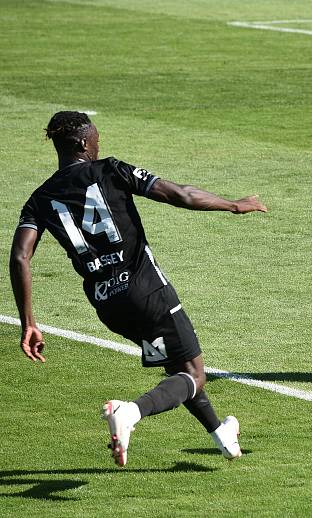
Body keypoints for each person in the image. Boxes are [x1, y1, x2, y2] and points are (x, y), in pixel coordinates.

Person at [10, 111, 268, 466]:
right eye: (97, 138)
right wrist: (234, 205)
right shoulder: (110, 169)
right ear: (84, 142)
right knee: (193, 373)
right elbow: (181, 195)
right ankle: (130, 412)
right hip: (147, 291)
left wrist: (29, 322)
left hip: (107, 306)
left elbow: (20, 258)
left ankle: (219, 432)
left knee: (176, 365)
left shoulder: (39, 199)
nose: (100, 143)